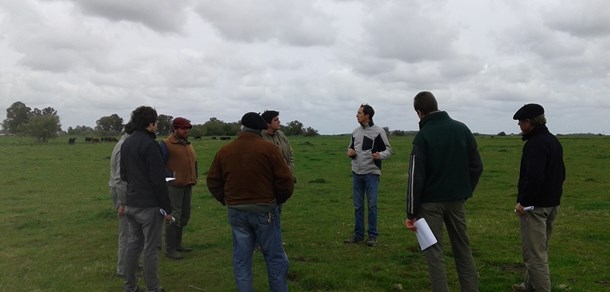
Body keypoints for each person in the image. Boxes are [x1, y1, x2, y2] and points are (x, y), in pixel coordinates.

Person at [207, 112, 295, 292]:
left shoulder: (225, 150)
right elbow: (286, 180)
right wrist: (277, 200)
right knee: (274, 258)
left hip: (237, 211)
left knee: (241, 259)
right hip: (266, 210)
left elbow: (213, 181)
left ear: (242, 127)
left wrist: (226, 199)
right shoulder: (268, 149)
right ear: (261, 128)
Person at [405, 91, 482, 292]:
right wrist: (465, 192)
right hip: (457, 200)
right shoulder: (462, 129)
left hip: (429, 204)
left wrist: (411, 213)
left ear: (419, 113)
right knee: (463, 249)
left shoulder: (422, 137)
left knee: (434, 253)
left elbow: (416, 177)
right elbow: (477, 166)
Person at [511, 104, 565, 292]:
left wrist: (523, 202)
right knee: (539, 249)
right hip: (552, 204)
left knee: (534, 256)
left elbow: (534, 178)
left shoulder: (535, 144)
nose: (519, 125)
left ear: (529, 122)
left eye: (521, 122)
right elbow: (561, 174)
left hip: (535, 207)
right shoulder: (552, 141)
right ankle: (528, 286)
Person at [120, 106, 173, 292]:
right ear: (150, 124)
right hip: (149, 206)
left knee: (133, 245)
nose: (157, 126)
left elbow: (124, 174)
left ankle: (130, 287)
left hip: (132, 203)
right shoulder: (151, 145)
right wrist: (167, 208)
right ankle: (154, 288)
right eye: (156, 122)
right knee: (152, 248)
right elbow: (158, 180)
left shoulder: (127, 143)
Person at [345, 103, 393, 247]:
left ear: (367, 116)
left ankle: (372, 236)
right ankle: (358, 235)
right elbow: (351, 148)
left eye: (359, 113)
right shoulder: (355, 132)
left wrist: (380, 155)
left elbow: (389, 150)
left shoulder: (378, 131)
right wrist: (350, 153)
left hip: (372, 173)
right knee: (358, 206)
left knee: (372, 205)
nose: (357, 115)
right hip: (356, 174)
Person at [159, 117, 198, 260]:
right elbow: (159, 165)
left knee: (184, 216)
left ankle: (178, 244)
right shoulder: (165, 144)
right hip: (174, 187)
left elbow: (194, 162)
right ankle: (170, 248)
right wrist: (171, 178)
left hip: (187, 184)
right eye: (183, 128)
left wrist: (194, 176)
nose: (186, 131)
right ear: (174, 129)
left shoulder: (188, 144)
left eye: (188, 128)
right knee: (173, 217)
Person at [108, 122, 135, 278]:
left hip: (121, 190)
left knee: (132, 230)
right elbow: (119, 178)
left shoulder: (124, 143)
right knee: (126, 231)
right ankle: (123, 268)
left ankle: (129, 262)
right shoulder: (124, 146)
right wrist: (123, 203)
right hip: (121, 192)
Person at [260, 110, 295, 175]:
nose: (279, 121)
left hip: (286, 177)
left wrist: (289, 170)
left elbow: (290, 154)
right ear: (268, 123)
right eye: (276, 120)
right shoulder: (260, 138)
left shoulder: (281, 135)